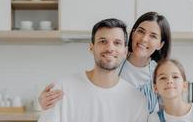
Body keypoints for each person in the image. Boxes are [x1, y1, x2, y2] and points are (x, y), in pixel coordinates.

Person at [29, 18, 157, 122]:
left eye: (117, 43)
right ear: (91, 47)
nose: (110, 48)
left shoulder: (137, 100)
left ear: (125, 50)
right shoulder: (62, 88)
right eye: (103, 41)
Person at [39, 11, 171, 113]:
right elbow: (82, 90)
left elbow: (169, 109)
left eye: (153, 36)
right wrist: (46, 102)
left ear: (160, 44)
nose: (144, 39)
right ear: (133, 33)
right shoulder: (112, 60)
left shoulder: (160, 73)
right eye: (140, 31)